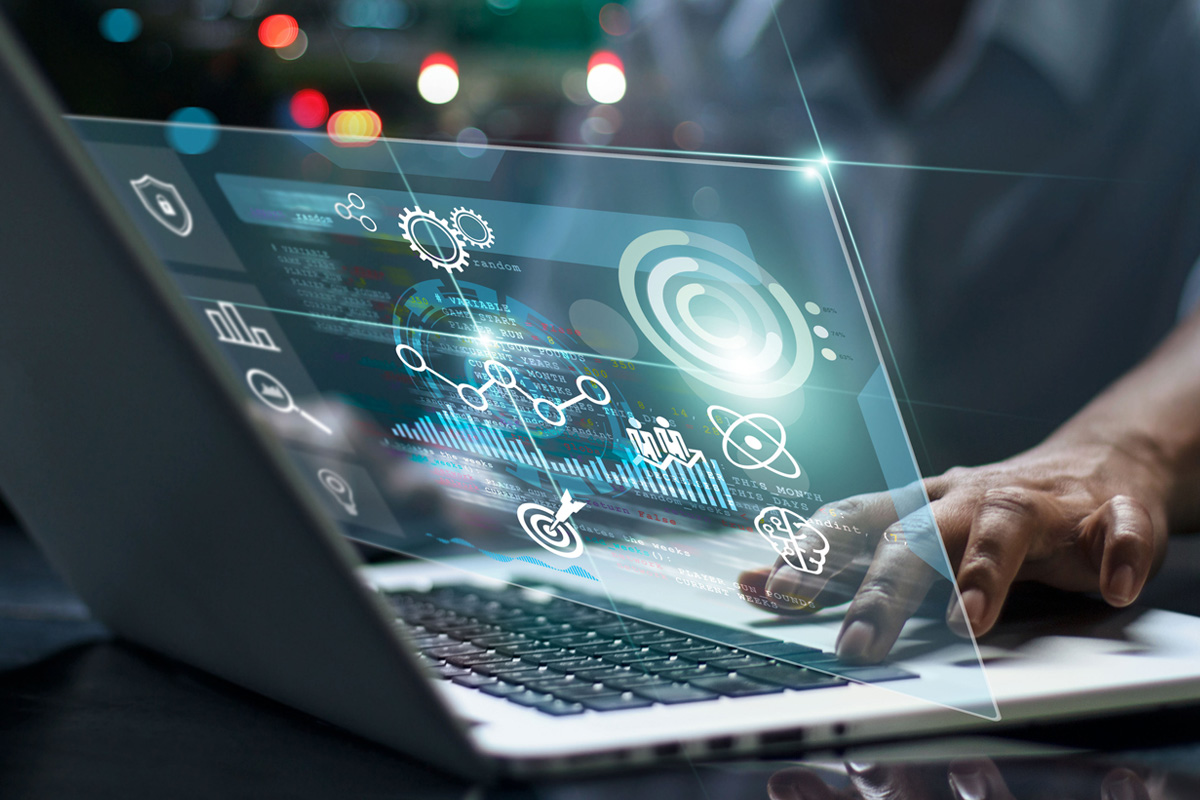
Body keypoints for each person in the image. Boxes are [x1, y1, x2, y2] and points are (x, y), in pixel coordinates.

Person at [608, 0, 1200, 661]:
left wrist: (1130, 451)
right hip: (772, 587)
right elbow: (583, 317)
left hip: (1084, 632)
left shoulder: (1171, 33)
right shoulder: (681, 34)